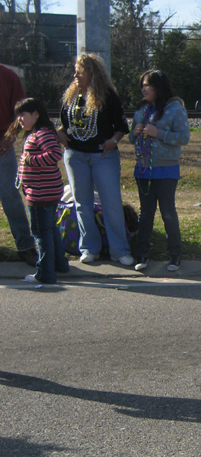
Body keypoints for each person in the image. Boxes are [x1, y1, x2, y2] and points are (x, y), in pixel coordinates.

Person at [57, 53, 133, 265]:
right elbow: (64, 123)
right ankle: (89, 248)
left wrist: (113, 141)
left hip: (103, 156)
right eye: (75, 72)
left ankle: (120, 250)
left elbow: (121, 126)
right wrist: (60, 133)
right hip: (75, 156)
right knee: (82, 204)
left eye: (80, 72)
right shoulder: (72, 97)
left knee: (111, 203)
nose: (76, 76)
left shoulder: (107, 96)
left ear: (92, 73)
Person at [129, 69, 190, 272]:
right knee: (146, 214)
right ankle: (141, 254)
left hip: (166, 169)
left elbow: (184, 137)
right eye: (142, 85)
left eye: (148, 85)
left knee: (168, 212)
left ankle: (174, 254)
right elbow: (131, 138)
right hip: (143, 169)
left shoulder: (175, 109)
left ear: (159, 87)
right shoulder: (142, 110)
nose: (144, 89)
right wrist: (134, 132)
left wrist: (159, 133)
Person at [10, 98, 70, 284]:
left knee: (40, 233)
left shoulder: (42, 134)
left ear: (36, 114)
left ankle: (45, 273)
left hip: (40, 193)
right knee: (50, 229)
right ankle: (60, 265)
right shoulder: (37, 133)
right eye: (18, 116)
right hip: (45, 191)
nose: (19, 119)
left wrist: (30, 161)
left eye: (23, 115)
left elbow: (54, 154)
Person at [0, 64, 37, 266]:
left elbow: (20, 112)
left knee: (11, 197)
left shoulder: (8, 76)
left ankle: (25, 246)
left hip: (2, 147)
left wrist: (10, 136)